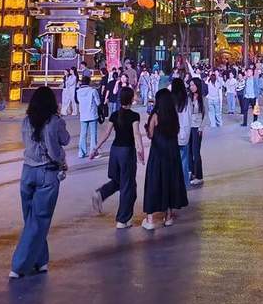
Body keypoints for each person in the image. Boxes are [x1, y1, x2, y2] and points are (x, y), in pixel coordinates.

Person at [9, 87, 70, 278]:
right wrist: (61, 162)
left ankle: (40, 260)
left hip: (27, 171)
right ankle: (18, 265)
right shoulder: (54, 122)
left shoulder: (26, 121)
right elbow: (63, 142)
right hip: (47, 172)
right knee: (39, 220)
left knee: (31, 219)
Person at [90, 86, 144, 227]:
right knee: (128, 186)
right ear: (131, 99)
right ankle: (122, 219)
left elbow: (106, 133)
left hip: (115, 151)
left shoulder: (115, 115)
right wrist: (140, 150)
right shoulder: (134, 116)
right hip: (127, 152)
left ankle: (101, 193)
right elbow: (136, 134)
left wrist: (95, 148)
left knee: (119, 181)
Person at [141, 89, 188, 229]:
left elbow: (150, 135)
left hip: (158, 153)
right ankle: (168, 217)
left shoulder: (155, 115)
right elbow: (177, 131)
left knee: (154, 182)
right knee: (170, 182)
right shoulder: (174, 115)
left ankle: (150, 219)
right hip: (172, 153)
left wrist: (147, 127)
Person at [171, 78, 191, 187]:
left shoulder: (171, 100)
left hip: (174, 133)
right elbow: (189, 116)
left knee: (173, 160)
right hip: (185, 133)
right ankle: (185, 183)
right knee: (184, 159)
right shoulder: (187, 100)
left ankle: (175, 184)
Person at [77, 75, 100, 158]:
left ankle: (81, 152)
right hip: (92, 114)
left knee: (83, 134)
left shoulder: (78, 91)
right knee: (93, 134)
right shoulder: (93, 91)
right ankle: (93, 152)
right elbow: (98, 103)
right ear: (89, 82)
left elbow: (78, 101)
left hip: (83, 114)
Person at [188, 77, 205, 185]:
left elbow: (205, 115)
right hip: (188, 126)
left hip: (197, 127)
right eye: (190, 85)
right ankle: (191, 172)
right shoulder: (188, 98)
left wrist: (201, 127)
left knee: (196, 151)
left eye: (193, 85)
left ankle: (199, 176)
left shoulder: (203, 99)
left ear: (197, 86)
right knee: (188, 151)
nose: (191, 87)